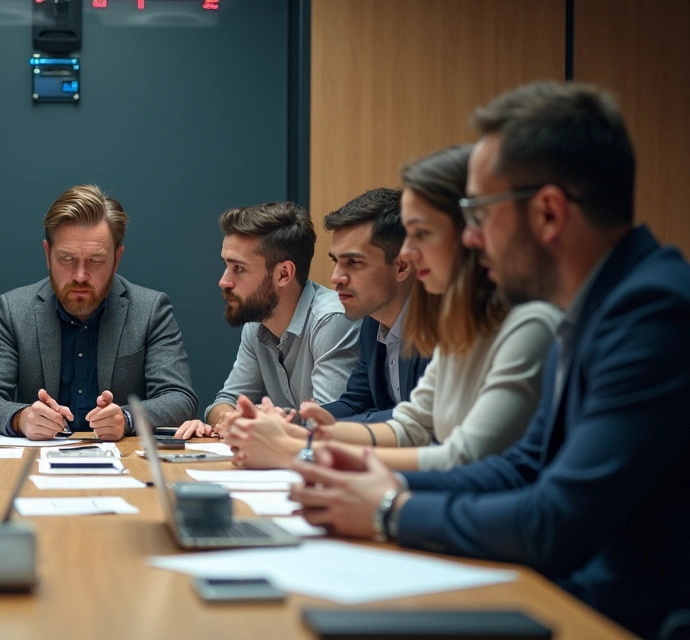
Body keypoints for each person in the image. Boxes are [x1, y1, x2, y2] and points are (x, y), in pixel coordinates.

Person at [289, 81, 690, 638]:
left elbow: (555, 520)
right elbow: (522, 466)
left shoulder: (650, 312)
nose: (471, 240)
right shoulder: (591, 304)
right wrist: (377, 481)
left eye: (479, 214)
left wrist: (389, 509)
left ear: (548, 213)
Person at [227, 146, 561, 471]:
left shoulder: (527, 323)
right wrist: (300, 432)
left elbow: (463, 457)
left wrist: (302, 450)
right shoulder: (456, 322)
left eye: (422, 233)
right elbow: (410, 422)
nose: (409, 252)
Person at [0, 184, 197, 441]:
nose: (80, 276)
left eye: (96, 261)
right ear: (47, 254)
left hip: (126, 459)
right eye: (67, 259)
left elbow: (179, 398)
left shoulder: (151, 310)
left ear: (117, 259)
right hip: (38, 461)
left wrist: (127, 418)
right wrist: (21, 418)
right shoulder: (14, 309)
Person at [175, 202, 361, 439]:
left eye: (238, 268)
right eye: (226, 266)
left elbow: (327, 425)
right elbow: (226, 401)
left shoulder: (332, 320)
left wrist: (260, 423)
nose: (224, 281)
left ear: (283, 274)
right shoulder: (257, 322)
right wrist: (228, 419)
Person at [320, 188, 428, 423]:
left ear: (402, 266)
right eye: (335, 261)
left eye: (353, 262)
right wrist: (294, 420)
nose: (336, 277)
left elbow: (421, 420)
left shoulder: (440, 325)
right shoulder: (372, 322)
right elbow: (356, 403)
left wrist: (319, 430)